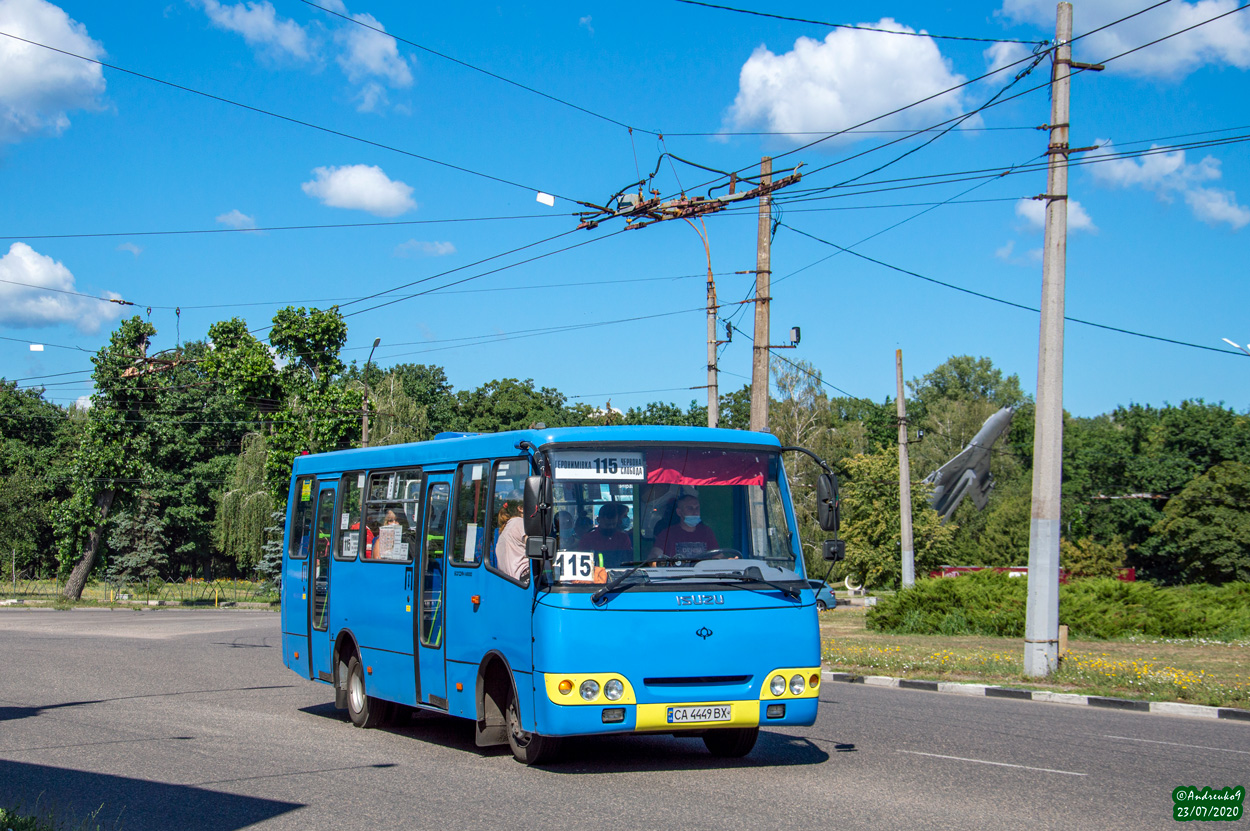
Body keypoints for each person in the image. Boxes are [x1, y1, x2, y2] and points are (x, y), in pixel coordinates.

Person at [650, 494, 718, 561]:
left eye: (697, 508)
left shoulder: (706, 531)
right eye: (690, 508)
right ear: (679, 512)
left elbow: (717, 556)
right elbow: (655, 555)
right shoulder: (667, 533)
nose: (695, 512)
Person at [494, 500, 530, 582]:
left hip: (509, 580)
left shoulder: (507, 526)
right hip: (523, 578)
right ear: (520, 508)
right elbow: (535, 549)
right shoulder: (520, 523)